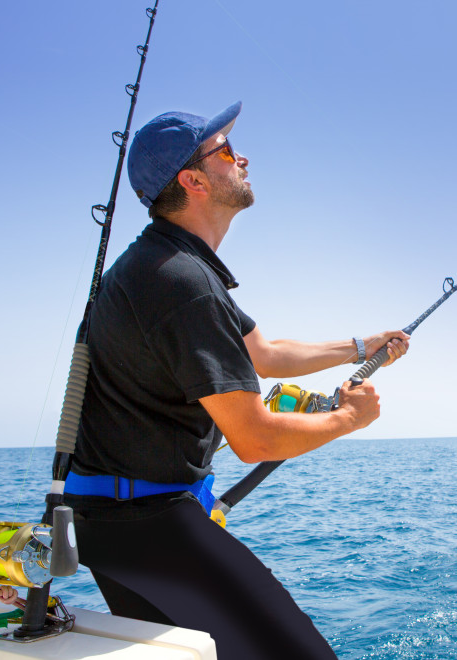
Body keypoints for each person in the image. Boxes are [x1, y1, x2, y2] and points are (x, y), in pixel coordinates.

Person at [63, 101, 409, 659]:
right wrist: (349, 417)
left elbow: (265, 355)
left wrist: (359, 348)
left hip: (108, 520)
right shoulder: (183, 284)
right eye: (224, 149)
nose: (241, 156)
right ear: (193, 180)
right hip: (147, 523)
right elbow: (256, 440)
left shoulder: (168, 265)